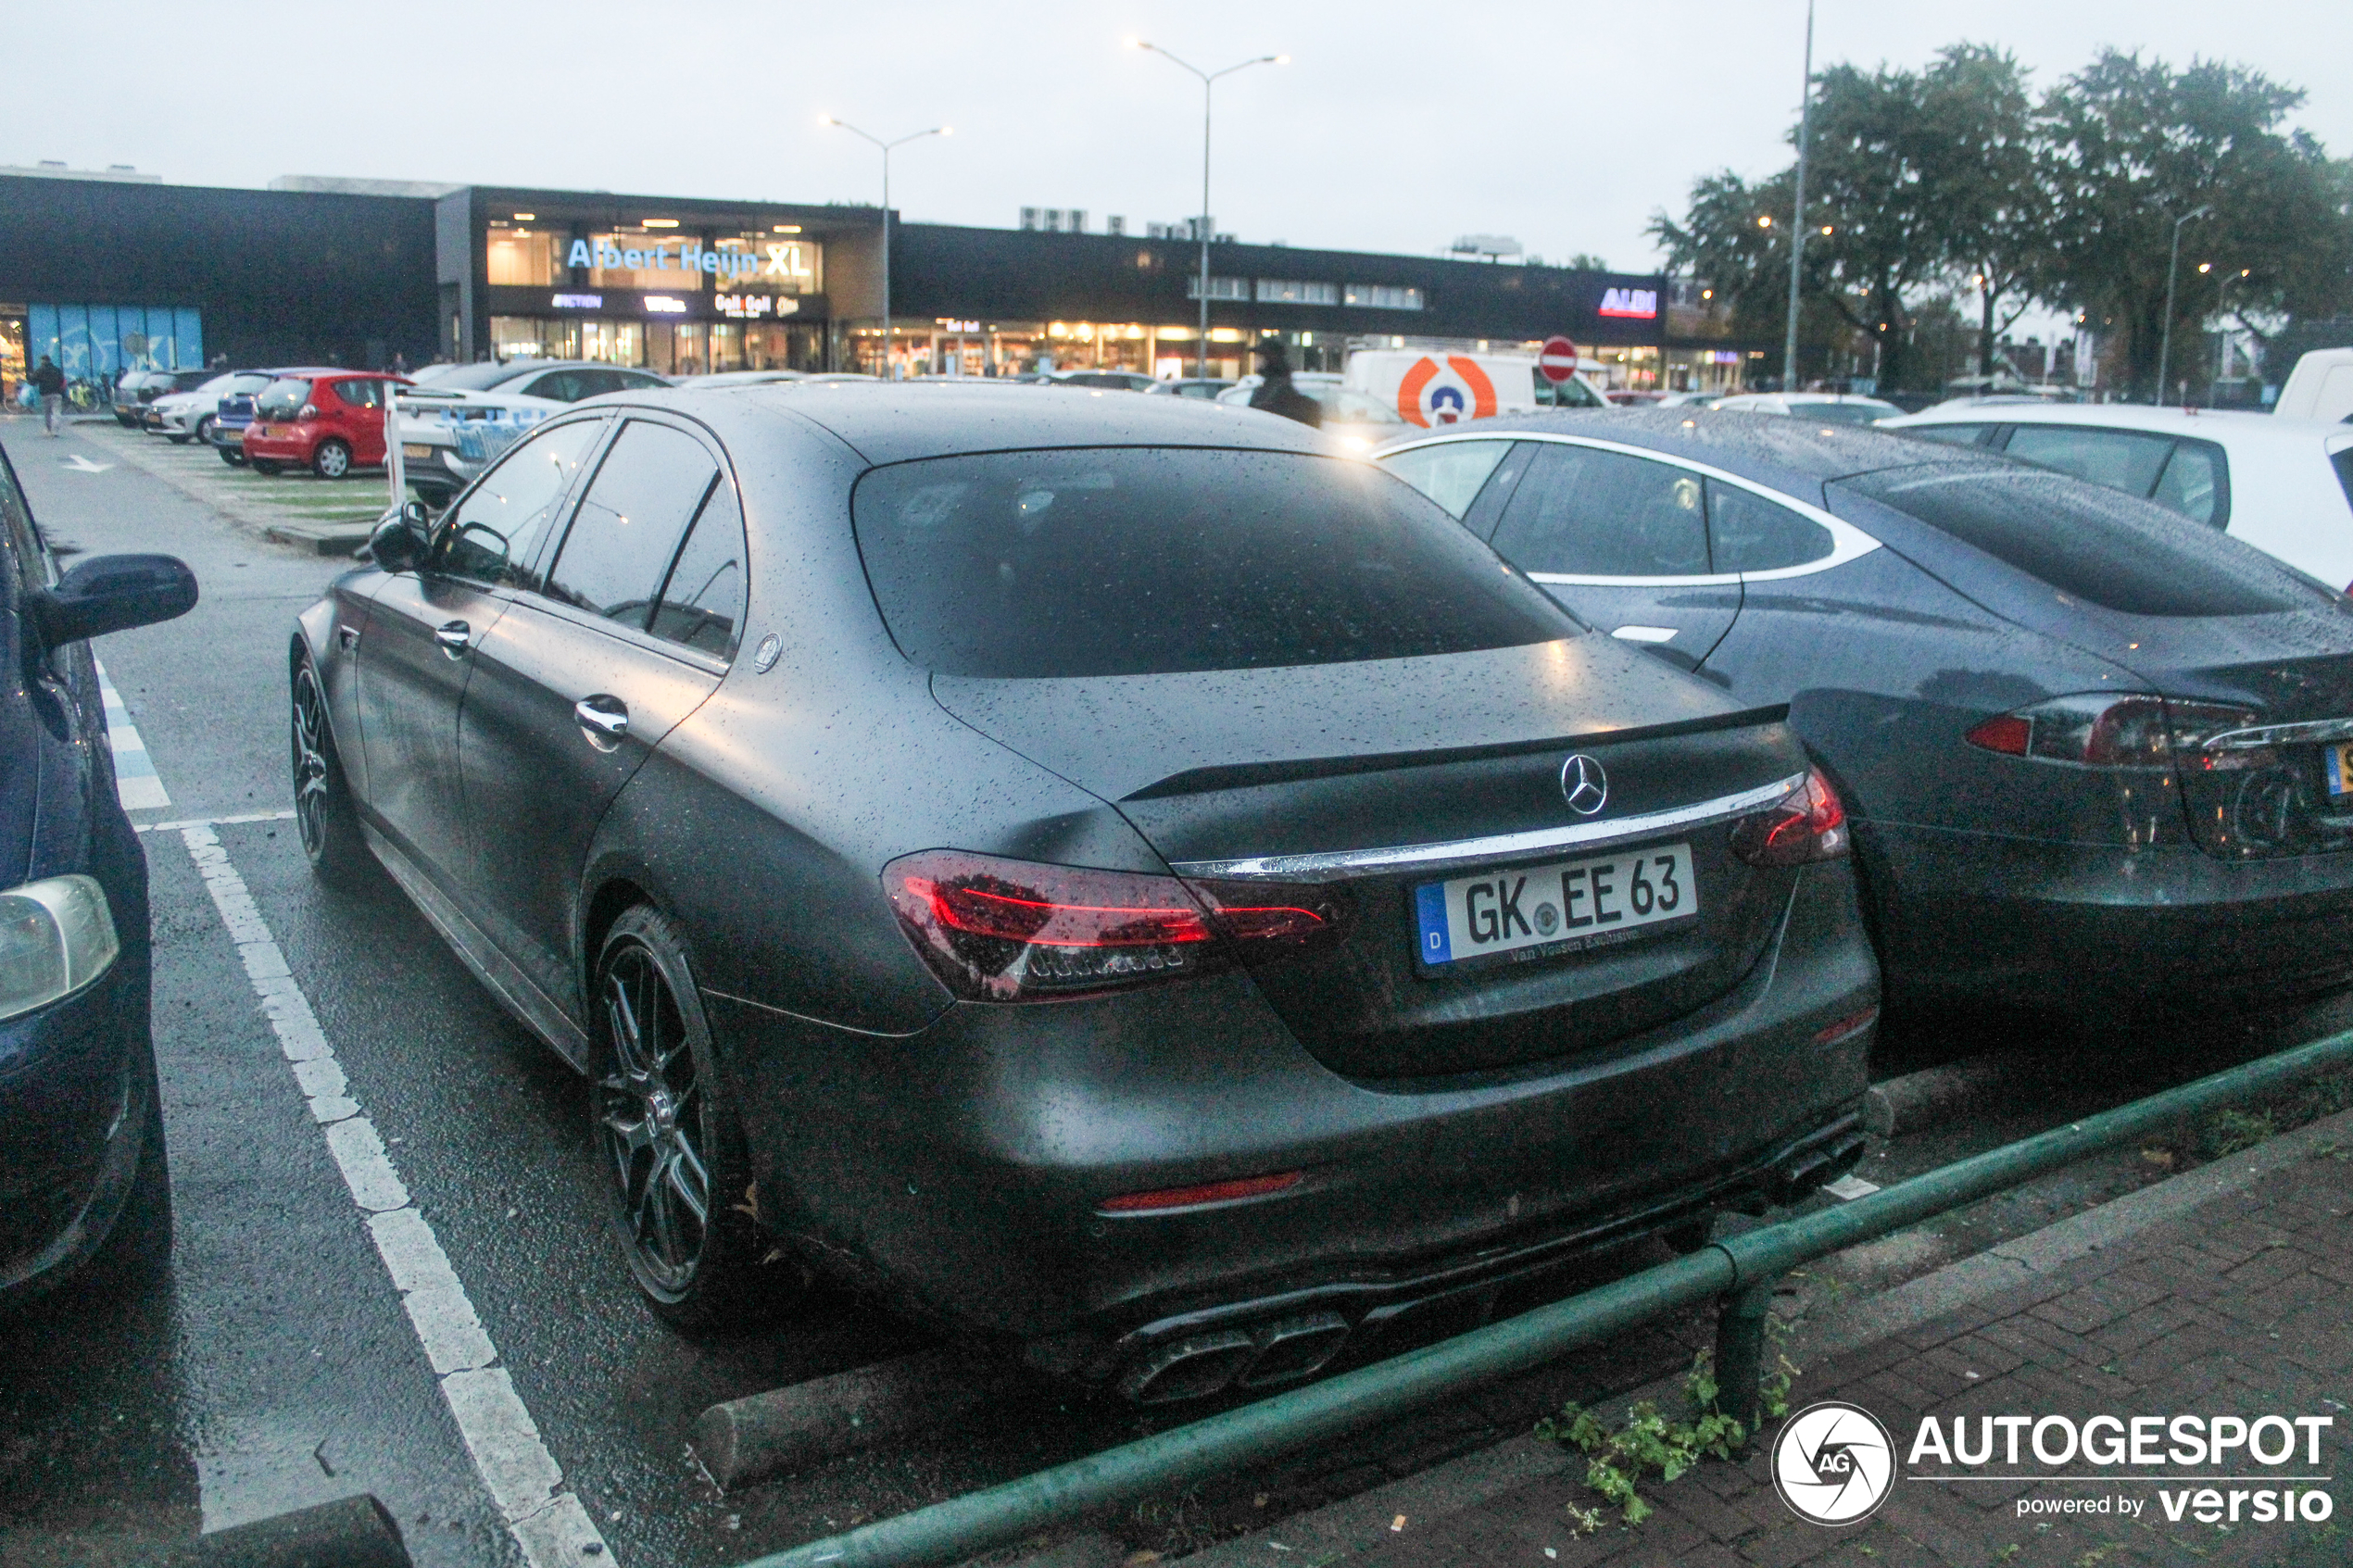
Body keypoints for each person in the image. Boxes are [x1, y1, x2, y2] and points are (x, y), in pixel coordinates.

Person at [1245, 340, 1322, 428]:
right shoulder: (1271, 387)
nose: (1256, 361)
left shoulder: (1272, 391)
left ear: (1268, 359)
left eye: (1259, 357)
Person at [31, 356, 66, 436]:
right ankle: (55, 429)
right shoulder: (57, 370)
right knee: (56, 412)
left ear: (42, 361)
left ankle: (48, 429)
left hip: (45, 394)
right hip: (57, 393)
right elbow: (62, 381)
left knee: (47, 413)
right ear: (50, 361)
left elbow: (33, 381)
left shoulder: (40, 370)